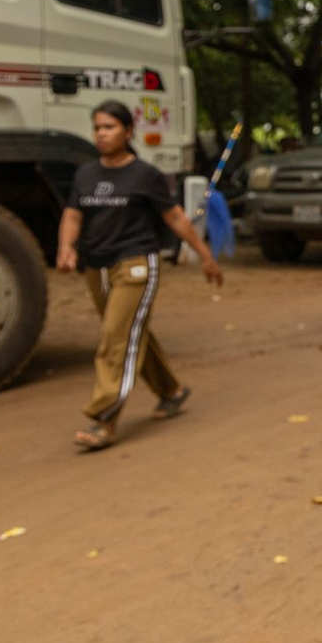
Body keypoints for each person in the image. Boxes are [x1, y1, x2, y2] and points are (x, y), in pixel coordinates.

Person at [56, 100, 223, 450]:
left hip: (135, 265)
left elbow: (175, 217)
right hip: (96, 267)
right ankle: (171, 390)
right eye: (98, 127)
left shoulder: (145, 175)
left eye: (110, 127)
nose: (102, 134)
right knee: (131, 333)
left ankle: (104, 419)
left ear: (128, 132)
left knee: (115, 340)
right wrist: (66, 247)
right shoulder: (85, 174)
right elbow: (73, 215)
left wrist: (205, 256)